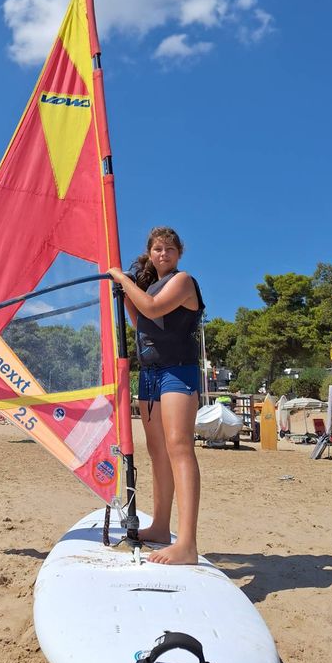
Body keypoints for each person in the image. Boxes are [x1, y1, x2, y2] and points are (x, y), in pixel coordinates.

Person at [108, 226, 204, 566]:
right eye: (158, 249)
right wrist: (124, 290)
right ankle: (161, 528)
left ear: (179, 254)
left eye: (170, 249)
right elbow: (139, 319)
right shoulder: (149, 284)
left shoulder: (183, 281)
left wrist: (122, 278)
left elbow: (150, 308)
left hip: (179, 371)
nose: (163, 254)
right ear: (150, 253)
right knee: (157, 451)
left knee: (179, 446)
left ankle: (187, 544)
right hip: (149, 374)